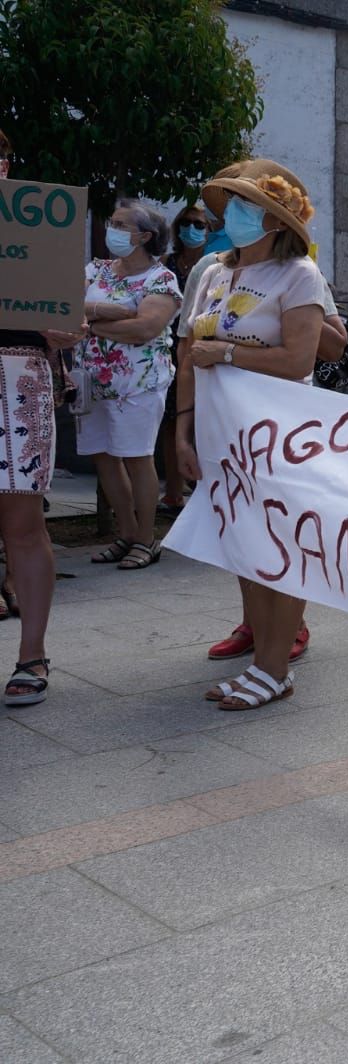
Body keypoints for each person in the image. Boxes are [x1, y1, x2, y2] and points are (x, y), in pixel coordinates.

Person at [176, 167, 346, 666]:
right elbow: (189, 353)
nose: (234, 213)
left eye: (247, 205)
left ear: (276, 220)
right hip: (220, 427)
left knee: (279, 536)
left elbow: (300, 359)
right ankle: (257, 627)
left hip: (277, 432)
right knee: (239, 534)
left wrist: (226, 353)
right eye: (230, 203)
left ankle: (281, 642)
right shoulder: (211, 272)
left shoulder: (299, 274)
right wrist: (183, 432)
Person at [77, 199, 182, 570]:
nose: (112, 230)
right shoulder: (98, 269)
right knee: (104, 456)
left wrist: (93, 322)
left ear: (145, 236)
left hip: (137, 382)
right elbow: (70, 307)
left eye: (121, 225)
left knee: (137, 457)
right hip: (91, 378)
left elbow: (144, 329)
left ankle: (146, 538)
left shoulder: (161, 279)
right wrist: (111, 311)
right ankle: (124, 533)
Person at [0, 125, 65, 704]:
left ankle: (32, 654)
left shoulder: (37, 224)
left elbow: (66, 329)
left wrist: (61, 327)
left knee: (22, 524)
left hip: (16, 378)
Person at [158, 203, 209, 514]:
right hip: (169, 347)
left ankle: (203, 488)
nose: (192, 228)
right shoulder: (167, 265)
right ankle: (173, 493)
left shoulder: (212, 266)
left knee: (202, 421)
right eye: (187, 222)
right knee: (171, 421)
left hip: (201, 348)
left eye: (199, 224)